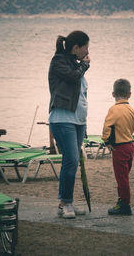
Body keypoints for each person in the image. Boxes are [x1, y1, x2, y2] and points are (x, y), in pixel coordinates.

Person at [48, 30, 90, 219]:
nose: (87, 51)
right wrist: (85, 66)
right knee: (70, 160)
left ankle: (69, 202)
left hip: (78, 122)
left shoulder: (75, 65)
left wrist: (85, 124)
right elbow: (73, 77)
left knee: (73, 163)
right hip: (62, 119)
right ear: (76, 47)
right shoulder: (58, 61)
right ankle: (63, 204)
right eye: (86, 47)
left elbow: (81, 96)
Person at [102, 78, 134, 215]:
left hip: (119, 148)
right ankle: (122, 200)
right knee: (125, 176)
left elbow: (107, 128)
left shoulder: (113, 109)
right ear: (129, 94)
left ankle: (125, 205)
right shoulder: (131, 109)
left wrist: (107, 142)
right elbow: (132, 126)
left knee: (121, 178)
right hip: (130, 145)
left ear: (113, 94)